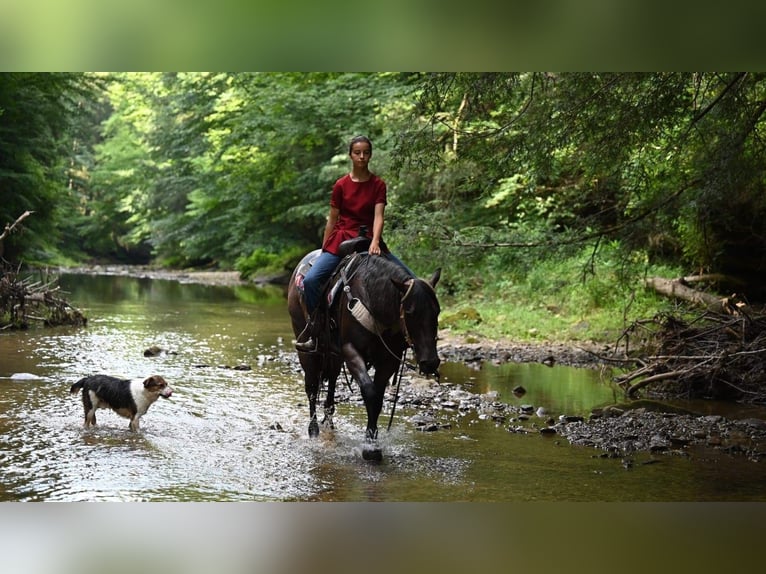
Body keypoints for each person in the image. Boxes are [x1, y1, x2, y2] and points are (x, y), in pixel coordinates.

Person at [295, 135, 413, 352]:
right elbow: (332, 219)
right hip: (342, 239)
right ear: (350, 155)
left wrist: (376, 241)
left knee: (412, 282)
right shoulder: (341, 185)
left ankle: (405, 335)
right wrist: (324, 249)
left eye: (366, 152)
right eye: (357, 152)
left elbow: (379, 216)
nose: (362, 156)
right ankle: (316, 330)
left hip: (369, 239)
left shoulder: (378, 184)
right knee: (311, 280)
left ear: (370, 155)